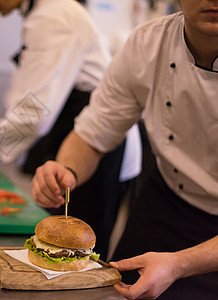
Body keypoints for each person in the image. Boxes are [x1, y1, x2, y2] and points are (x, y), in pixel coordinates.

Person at [31, 0, 218, 298]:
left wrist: (180, 264)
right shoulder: (147, 44)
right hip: (165, 202)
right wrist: (65, 169)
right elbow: (93, 134)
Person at [0, 0, 142, 259]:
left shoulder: (56, 17)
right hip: (69, 138)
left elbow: (33, 115)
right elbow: (29, 101)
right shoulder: (43, 14)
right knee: (53, 243)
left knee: (79, 253)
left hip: (96, 149)